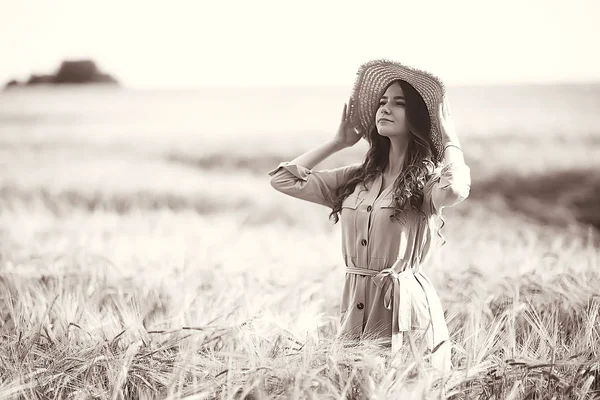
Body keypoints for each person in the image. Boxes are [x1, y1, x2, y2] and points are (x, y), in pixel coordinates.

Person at [268, 59, 471, 372]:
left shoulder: (427, 180)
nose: (385, 108)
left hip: (405, 316)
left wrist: (449, 140)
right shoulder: (356, 178)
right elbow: (283, 180)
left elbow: (457, 188)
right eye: (382, 102)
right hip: (354, 312)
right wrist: (338, 142)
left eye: (398, 103)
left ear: (415, 117)